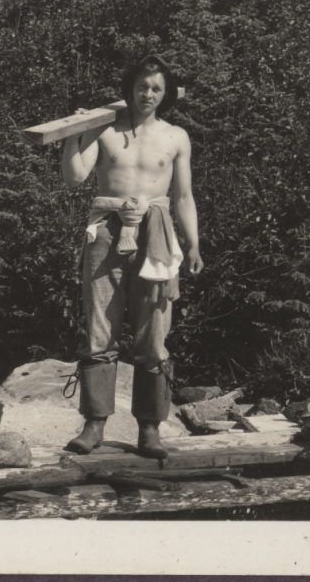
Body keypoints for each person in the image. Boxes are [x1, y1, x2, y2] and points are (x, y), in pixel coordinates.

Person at [59, 54, 203, 458]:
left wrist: (193, 243)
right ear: (130, 88)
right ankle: (94, 424)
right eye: (142, 86)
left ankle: (150, 429)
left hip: (156, 231)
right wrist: (75, 132)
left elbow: (184, 196)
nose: (149, 94)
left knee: (153, 333)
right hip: (106, 231)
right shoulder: (105, 130)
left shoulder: (176, 136)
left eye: (157, 88)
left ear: (167, 94)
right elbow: (74, 177)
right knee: (100, 329)